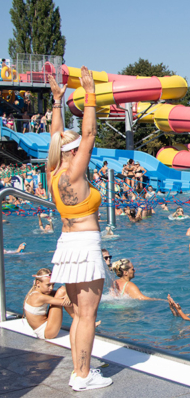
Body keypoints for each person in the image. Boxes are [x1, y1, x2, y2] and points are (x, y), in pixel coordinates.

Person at [46, 70, 112, 390]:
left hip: (66, 244)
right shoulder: (73, 170)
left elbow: (57, 136)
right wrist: (89, 95)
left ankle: (79, 371)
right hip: (84, 245)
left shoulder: (52, 171)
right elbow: (87, 135)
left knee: (78, 315)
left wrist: (57, 101)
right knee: (87, 315)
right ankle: (83, 377)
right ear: (73, 152)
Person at [24, 268, 74, 340]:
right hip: (46, 333)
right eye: (48, 285)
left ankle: (79, 320)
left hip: (44, 330)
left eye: (53, 285)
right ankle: (80, 321)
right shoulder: (38, 297)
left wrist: (68, 294)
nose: (51, 288)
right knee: (62, 290)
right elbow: (67, 303)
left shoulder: (35, 293)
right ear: (38, 283)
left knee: (63, 291)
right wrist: (69, 294)